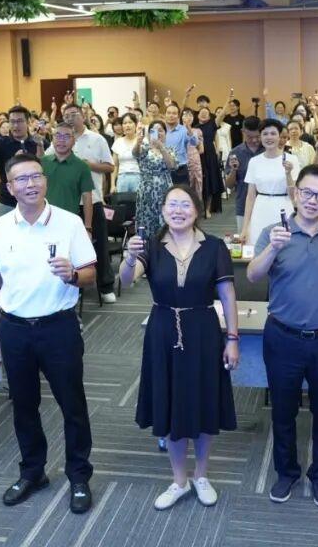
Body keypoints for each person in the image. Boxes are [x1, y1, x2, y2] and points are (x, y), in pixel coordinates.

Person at [0, 153, 97, 515]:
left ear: (45, 181)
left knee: (72, 405)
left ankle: (79, 475)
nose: (30, 184)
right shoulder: (0, 227)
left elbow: (90, 273)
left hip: (58, 328)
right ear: (9, 187)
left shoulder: (69, 222)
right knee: (24, 405)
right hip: (15, 329)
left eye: (36, 176)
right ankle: (32, 472)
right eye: (22, 179)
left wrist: (73, 275)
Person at [120, 185, 239, 510]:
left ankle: (201, 475)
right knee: (170, 403)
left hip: (203, 330)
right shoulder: (151, 246)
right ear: (162, 210)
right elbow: (127, 280)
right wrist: (129, 258)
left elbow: (227, 294)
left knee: (204, 401)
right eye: (171, 205)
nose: (178, 211)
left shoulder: (214, 247)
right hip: (162, 330)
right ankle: (179, 480)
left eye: (185, 205)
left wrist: (232, 338)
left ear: (196, 210)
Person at [247, 164, 318, 508]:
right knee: (283, 412)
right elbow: (252, 276)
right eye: (307, 192)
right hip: (282, 337)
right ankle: (286, 472)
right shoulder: (273, 232)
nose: (312, 200)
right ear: (295, 193)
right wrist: (272, 249)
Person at [52, 103, 116, 303]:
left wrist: (89, 165)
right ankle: (74, 287)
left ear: (83, 115)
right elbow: (47, 158)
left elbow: (110, 167)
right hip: (66, 204)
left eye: (74, 114)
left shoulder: (97, 139)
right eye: (66, 115)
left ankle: (105, 286)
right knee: (69, 247)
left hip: (92, 199)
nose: (70, 118)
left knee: (99, 245)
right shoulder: (60, 138)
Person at [0, 105, 42, 219]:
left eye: (19, 121)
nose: (15, 125)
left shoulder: (36, 142)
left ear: (28, 122)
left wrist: (39, 148)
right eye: (12, 121)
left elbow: (44, 168)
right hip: (7, 200)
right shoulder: (2, 143)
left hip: (32, 199)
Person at [241, 119, 299, 248]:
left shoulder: (292, 159)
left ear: (280, 137)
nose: (269, 137)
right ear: (260, 137)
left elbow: (294, 196)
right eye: (265, 134)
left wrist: (288, 173)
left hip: (284, 207)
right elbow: (250, 196)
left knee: (285, 247)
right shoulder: (254, 161)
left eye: (273, 133)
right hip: (260, 208)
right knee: (259, 247)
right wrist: (245, 227)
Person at [41, 124, 94, 230]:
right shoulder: (42, 162)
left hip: (69, 222)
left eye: (66, 136)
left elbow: (87, 197)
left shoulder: (82, 167)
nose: (61, 140)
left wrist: (88, 227)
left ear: (74, 140)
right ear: (52, 139)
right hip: (42, 220)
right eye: (58, 136)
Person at [135, 121, 176, 237]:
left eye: (160, 130)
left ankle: (166, 245)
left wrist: (161, 147)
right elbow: (135, 154)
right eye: (153, 131)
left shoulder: (170, 149)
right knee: (146, 221)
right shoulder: (144, 148)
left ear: (165, 133)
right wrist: (138, 142)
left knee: (165, 219)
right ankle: (146, 246)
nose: (157, 133)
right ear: (148, 134)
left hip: (164, 189)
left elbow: (172, 166)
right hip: (146, 191)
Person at [224, 116, 263, 233]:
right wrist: (233, 170)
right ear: (243, 132)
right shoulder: (235, 153)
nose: (255, 140)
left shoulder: (268, 150)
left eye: (258, 136)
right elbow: (229, 185)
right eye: (250, 137)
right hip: (243, 205)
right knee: (244, 239)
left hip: (265, 205)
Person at [196, 106, 224, 218]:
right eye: (201, 112)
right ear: (198, 115)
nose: (203, 114)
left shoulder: (212, 125)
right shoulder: (194, 128)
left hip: (210, 156)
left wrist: (228, 100)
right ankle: (199, 208)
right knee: (200, 183)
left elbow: (221, 115)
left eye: (206, 113)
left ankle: (207, 209)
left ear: (209, 116)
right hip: (198, 156)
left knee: (210, 182)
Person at [163, 103, 198, 185]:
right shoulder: (161, 129)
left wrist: (188, 127)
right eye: (168, 113)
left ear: (178, 116)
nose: (171, 115)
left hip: (180, 169)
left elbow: (194, 143)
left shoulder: (184, 130)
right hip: (163, 168)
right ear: (165, 115)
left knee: (181, 192)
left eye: (174, 113)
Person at [111, 113, 141, 193]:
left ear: (136, 124)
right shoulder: (118, 142)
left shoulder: (142, 140)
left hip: (139, 177)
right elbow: (115, 165)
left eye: (130, 122)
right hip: (122, 178)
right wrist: (112, 185)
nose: (127, 125)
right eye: (125, 123)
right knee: (122, 201)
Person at [182, 108, 204, 201]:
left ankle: (196, 206)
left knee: (196, 186)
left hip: (194, 161)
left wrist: (192, 154)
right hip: (181, 161)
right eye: (186, 115)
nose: (188, 117)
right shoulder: (178, 130)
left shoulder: (197, 131)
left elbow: (201, 149)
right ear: (181, 117)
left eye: (190, 115)